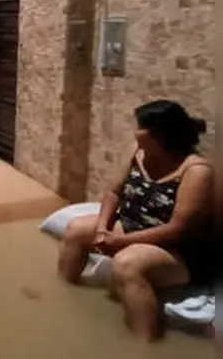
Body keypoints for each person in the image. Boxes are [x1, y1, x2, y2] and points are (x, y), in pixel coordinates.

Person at [57, 99, 214, 341]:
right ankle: (63, 296)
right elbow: (113, 193)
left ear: (159, 136)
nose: (134, 132)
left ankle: (144, 342)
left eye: (140, 128)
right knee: (76, 230)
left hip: (175, 250)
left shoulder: (196, 171)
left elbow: (178, 229)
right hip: (131, 225)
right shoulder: (137, 152)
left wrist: (119, 242)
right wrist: (102, 230)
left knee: (126, 264)